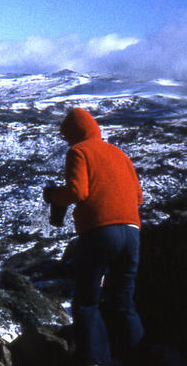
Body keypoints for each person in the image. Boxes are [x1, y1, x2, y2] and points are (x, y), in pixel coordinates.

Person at [44, 108, 145, 366]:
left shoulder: (79, 151)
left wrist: (53, 196)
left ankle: (96, 360)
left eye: (67, 136)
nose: (67, 141)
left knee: (87, 302)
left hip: (100, 231)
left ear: (74, 133)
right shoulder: (119, 154)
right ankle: (140, 356)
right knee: (123, 301)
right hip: (132, 232)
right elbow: (138, 197)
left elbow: (77, 191)